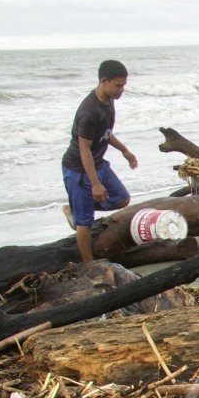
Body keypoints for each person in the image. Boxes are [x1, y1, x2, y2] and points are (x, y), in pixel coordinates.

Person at [61, 59, 137, 262]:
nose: (121, 90)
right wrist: (95, 184)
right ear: (104, 81)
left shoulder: (108, 102)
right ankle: (90, 265)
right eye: (118, 85)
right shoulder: (89, 112)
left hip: (98, 164)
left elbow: (106, 133)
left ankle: (76, 210)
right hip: (79, 169)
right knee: (84, 223)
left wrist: (125, 151)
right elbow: (84, 149)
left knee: (122, 198)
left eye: (124, 86)